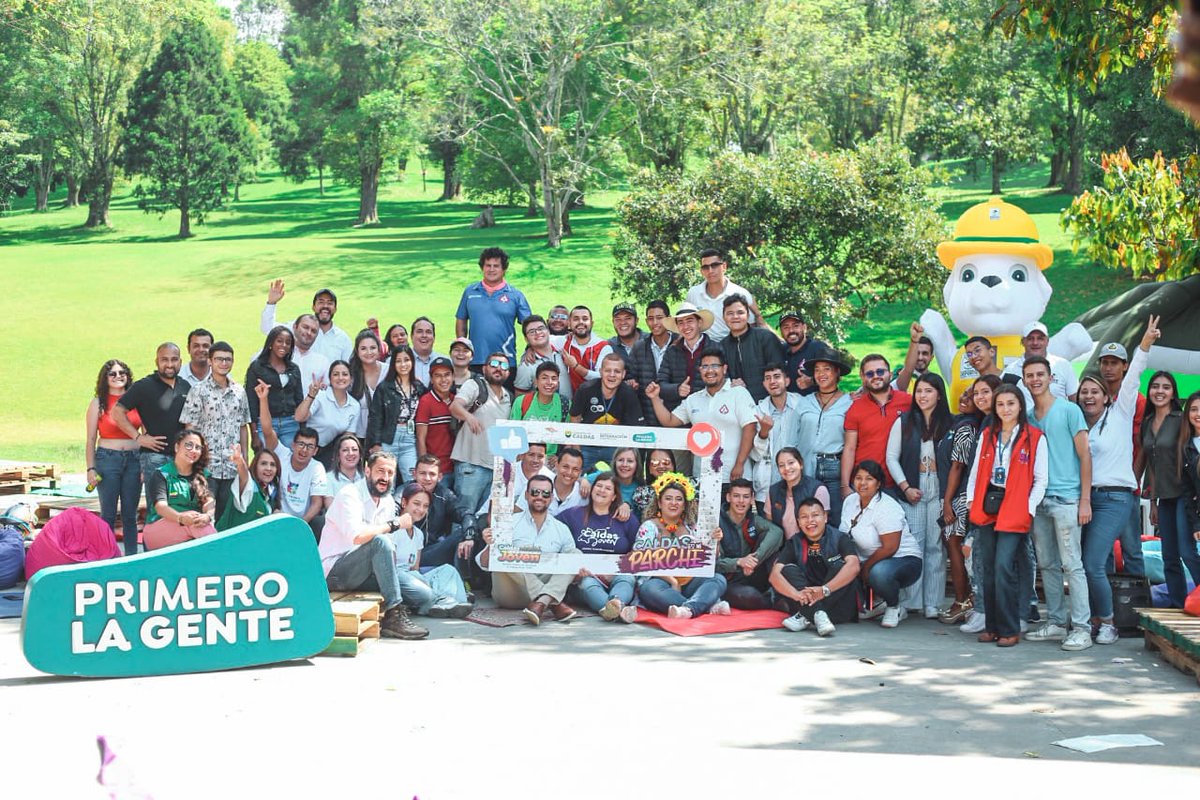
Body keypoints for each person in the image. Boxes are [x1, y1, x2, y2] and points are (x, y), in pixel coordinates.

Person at [1078, 318, 1157, 644]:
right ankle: (1099, 617)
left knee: (1094, 561)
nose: (1090, 396)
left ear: (1106, 397)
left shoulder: (1122, 411)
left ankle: (1109, 622)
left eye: (1095, 392)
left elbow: (1135, 374)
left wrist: (1146, 344)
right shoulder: (1084, 426)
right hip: (1089, 497)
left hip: (1116, 497)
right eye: (1084, 392)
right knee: (1093, 562)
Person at [966, 385, 1048, 647]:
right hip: (988, 503)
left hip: (1016, 506)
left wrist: (1029, 507)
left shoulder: (1035, 437)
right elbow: (977, 469)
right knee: (987, 568)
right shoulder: (989, 434)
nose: (1005, 409)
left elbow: (1041, 479)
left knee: (1004, 566)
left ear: (1020, 406)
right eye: (1000, 404)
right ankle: (992, 626)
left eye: (1010, 403)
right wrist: (970, 500)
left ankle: (1010, 628)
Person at [1024, 355, 1095, 651]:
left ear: (1051, 377)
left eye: (1040, 374)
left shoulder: (1069, 410)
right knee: (1047, 564)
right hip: (1039, 499)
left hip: (1067, 498)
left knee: (1071, 564)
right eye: (1030, 375)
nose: (1035, 379)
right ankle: (1054, 621)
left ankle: (1082, 628)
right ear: (1025, 380)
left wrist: (1085, 500)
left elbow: (1085, 456)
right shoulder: (1027, 416)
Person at [319, 451, 429, 640]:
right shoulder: (349, 494)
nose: (385, 478)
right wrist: (395, 524)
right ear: (367, 471)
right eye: (380, 471)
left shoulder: (386, 500)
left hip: (366, 572)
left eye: (390, 473)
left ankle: (424, 603)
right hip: (335, 573)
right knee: (380, 540)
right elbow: (358, 537)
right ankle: (394, 616)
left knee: (423, 595)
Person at [886, 373, 954, 619]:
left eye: (928, 391)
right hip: (912, 489)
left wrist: (948, 494)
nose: (923, 396)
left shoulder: (950, 423)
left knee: (936, 546)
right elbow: (891, 457)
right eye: (919, 391)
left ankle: (933, 602)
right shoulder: (904, 422)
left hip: (940, 491)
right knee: (914, 545)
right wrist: (905, 487)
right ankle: (911, 601)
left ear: (939, 393)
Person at [479, 475, 582, 625]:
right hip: (511, 594)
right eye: (535, 492)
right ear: (526, 496)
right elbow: (484, 563)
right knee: (510, 554)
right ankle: (552, 601)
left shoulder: (561, 529)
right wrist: (490, 546)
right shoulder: (508, 523)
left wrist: (578, 574)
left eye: (545, 493)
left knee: (576, 555)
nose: (540, 497)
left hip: (544, 581)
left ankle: (541, 602)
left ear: (551, 498)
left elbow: (572, 569)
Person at [942, 374, 1001, 629]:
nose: (971, 398)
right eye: (970, 394)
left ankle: (965, 601)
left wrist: (947, 502)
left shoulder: (969, 427)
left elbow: (958, 466)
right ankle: (972, 604)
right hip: (968, 494)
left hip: (966, 495)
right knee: (965, 548)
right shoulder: (979, 422)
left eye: (978, 393)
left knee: (960, 546)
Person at [646, 349, 757, 485]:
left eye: (715, 366)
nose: (709, 370)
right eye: (705, 366)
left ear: (724, 369)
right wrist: (655, 398)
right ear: (700, 370)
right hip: (702, 478)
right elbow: (669, 421)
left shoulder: (739, 393)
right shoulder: (694, 399)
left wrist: (740, 464)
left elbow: (750, 428)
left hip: (735, 476)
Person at [634, 473, 730, 619]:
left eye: (679, 499)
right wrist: (672, 581)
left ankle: (688, 609)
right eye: (668, 498)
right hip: (661, 582)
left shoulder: (692, 527)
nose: (674, 503)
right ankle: (706, 605)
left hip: (690, 581)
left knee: (718, 579)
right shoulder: (649, 527)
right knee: (649, 589)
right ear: (659, 503)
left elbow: (709, 560)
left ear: (684, 504)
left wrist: (715, 541)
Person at [841, 460, 922, 629]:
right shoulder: (850, 501)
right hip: (866, 558)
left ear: (878, 484)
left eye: (869, 479)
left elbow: (890, 547)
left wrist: (866, 567)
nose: (862, 483)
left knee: (879, 573)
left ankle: (894, 607)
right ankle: (876, 605)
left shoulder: (887, 506)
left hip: (903, 559)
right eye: (858, 478)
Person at [111, 343, 191, 511]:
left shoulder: (186, 386)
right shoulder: (144, 386)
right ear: (156, 361)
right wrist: (139, 438)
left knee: (180, 508)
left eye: (174, 360)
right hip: (155, 458)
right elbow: (117, 412)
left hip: (181, 458)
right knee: (157, 510)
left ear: (181, 361)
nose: (169, 364)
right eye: (164, 360)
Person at [1142, 374, 1199, 608]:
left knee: (1187, 552)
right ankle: (1179, 605)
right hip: (1163, 496)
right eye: (1155, 386)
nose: (1160, 391)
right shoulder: (1147, 422)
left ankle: (1198, 597)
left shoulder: (1180, 419)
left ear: (1173, 393)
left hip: (1183, 495)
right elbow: (1151, 464)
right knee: (1169, 557)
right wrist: (1153, 501)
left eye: (1166, 387)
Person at [1097, 336, 1151, 580]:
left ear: (1125, 366)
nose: (1109, 368)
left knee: (1132, 548)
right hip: (1101, 484)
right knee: (1103, 550)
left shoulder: (1136, 400)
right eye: (1105, 362)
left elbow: (1139, 444)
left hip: (1127, 484)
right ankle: (1106, 606)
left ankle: (1137, 603)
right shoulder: (1093, 398)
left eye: (1114, 363)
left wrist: (1135, 482)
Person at [179, 341, 251, 520]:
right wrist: (192, 460)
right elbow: (190, 429)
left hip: (232, 465)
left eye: (228, 359)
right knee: (206, 515)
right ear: (210, 361)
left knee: (228, 516)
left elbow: (243, 426)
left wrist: (244, 460)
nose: (224, 363)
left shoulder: (239, 392)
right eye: (219, 359)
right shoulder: (198, 391)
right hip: (207, 465)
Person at [557, 472, 641, 622]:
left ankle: (615, 605)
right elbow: (553, 532)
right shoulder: (573, 515)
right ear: (592, 489)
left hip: (617, 572)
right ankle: (618, 610)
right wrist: (571, 566)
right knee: (588, 584)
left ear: (614, 496)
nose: (602, 490)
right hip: (585, 576)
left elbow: (638, 549)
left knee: (627, 579)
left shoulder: (626, 519)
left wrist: (623, 567)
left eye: (608, 488)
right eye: (599, 486)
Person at [773, 498, 861, 636]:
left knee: (841, 566)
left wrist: (825, 590)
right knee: (786, 570)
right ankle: (817, 613)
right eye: (804, 517)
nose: (810, 521)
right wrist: (795, 595)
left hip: (838, 607)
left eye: (815, 515)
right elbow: (775, 575)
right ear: (798, 522)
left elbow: (854, 566)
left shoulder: (840, 538)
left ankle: (808, 614)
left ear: (825, 517)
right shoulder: (794, 542)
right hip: (805, 601)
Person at [256, 382, 331, 537]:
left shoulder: (317, 468)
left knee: (320, 522)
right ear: (293, 444)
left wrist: (301, 524)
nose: (304, 450)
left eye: (310, 447)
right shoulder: (282, 454)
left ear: (315, 451)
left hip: (302, 522)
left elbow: (317, 502)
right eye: (301, 444)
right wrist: (263, 400)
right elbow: (267, 430)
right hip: (277, 517)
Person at [390, 483, 474, 619]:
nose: (420, 510)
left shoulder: (418, 534)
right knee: (418, 582)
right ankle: (442, 601)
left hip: (412, 577)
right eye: (416, 504)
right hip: (398, 579)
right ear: (404, 503)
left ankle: (452, 604)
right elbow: (390, 570)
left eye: (425, 506)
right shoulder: (393, 529)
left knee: (448, 570)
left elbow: (415, 568)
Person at [85, 359, 143, 555]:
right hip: (107, 460)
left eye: (122, 373)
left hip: (134, 459)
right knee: (108, 513)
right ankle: (106, 557)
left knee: (130, 514)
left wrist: (144, 464)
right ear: (105, 379)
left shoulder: (136, 401)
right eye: (113, 374)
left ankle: (132, 558)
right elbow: (91, 438)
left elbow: (145, 433)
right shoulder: (98, 403)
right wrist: (90, 468)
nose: (118, 377)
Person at [795, 345, 853, 527]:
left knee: (834, 518)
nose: (821, 374)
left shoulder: (849, 402)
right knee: (807, 517)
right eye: (817, 370)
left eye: (826, 369)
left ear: (837, 373)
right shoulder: (804, 402)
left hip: (833, 466)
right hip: (806, 467)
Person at [449, 352, 512, 516]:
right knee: (463, 517)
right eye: (494, 364)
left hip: (496, 469)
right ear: (484, 368)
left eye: (504, 366)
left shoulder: (509, 398)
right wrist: (469, 417)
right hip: (471, 465)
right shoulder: (475, 386)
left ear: (508, 373)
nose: (499, 368)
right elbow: (455, 407)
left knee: (485, 519)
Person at [841, 354, 912, 497]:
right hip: (865, 483)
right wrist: (844, 485)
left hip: (900, 480)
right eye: (869, 373)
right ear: (863, 377)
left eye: (880, 372)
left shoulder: (908, 402)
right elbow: (849, 448)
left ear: (890, 374)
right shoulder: (855, 408)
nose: (876, 376)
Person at [455, 247, 532, 369]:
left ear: (504, 269)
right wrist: (462, 349)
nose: (491, 269)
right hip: (475, 360)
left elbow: (530, 325)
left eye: (496, 266)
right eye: (488, 265)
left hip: (505, 361)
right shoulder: (470, 292)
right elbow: (461, 320)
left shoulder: (515, 295)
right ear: (482, 267)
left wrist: (530, 347)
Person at [141, 430, 217, 551]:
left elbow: (210, 503)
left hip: (193, 526)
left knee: (198, 522)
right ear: (177, 447)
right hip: (158, 529)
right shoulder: (161, 474)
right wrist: (181, 518)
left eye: (198, 447)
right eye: (189, 445)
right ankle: (222, 558)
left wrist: (207, 516)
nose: (193, 450)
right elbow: (161, 507)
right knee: (194, 521)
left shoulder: (205, 476)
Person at [717, 478, 783, 609]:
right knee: (750, 597)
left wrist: (754, 560)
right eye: (736, 496)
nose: (741, 501)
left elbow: (777, 532)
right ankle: (772, 602)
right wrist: (739, 562)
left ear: (752, 499)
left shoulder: (753, 519)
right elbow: (715, 565)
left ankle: (779, 593)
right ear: (728, 497)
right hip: (729, 580)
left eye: (746, 496)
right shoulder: (717, 522)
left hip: (752, 573)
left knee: (769, 539)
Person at [570, 352, 643, 470]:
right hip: (587, 443)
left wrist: (625, 456)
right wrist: (577, 450)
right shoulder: (585, 389)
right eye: (608, 370)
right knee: (580, 477)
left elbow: (634, 428)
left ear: (624, 374)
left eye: (617, 371)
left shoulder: (629, 394)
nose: (612, 375)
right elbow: (575, 418)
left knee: (618, 479)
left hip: (615, 445)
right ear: (600, 372)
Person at [367, 345, 426, 484]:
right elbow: (375, 416)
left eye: (406, 360)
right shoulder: (385, 387)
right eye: (398, 361)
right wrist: (376, 443)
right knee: (387, 482)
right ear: (393, 364)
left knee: (412, 481)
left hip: (410, 439)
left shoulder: (419, 387)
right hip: (389, 438)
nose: (403, 364)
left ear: (412, 361)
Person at [411, 455, 478, 570]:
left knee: (466, 534)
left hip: (433, 550)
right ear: (414, 474)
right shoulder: (403, 492)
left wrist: (469, 536)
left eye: (432, 474)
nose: (427, 478)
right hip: (408, 554)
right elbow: (394, 511)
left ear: (440, 477)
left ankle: (465, 580)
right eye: (422, 473)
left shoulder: (444, 494)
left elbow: (465, 513)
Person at [685, 248, 764, 343]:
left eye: (714, 265)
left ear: (724, 267)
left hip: (733, 345)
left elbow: (752, 326)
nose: (710, 271)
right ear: (701, 271)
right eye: (705, 267)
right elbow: (686, 321)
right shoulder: (693, 293)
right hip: (703, 347)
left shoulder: (740, 293)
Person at [261, 281, 352, 363]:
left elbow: (348, 370)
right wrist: (271, 303)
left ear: (335, 309)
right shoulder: (299, 328)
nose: (325, 306)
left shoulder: (343, 339)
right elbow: (267, 328)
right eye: (321, 302)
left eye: (330, 303)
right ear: (313, 307)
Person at [751, 363, 802, 505]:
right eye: (768, 378)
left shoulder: (802, 405)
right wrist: (764, 433)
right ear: (764, 384)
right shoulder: (758, 412)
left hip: (797, 483)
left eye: (777, 377)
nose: (772, 381)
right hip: (767, 486)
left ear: (787, 381)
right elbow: (754, 455)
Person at [245, 326, 303, 449]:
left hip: (290, 424)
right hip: (266, 424)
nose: (284, 345)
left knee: (290, 460)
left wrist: (302, 428)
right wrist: (254, 434)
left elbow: (299, 399)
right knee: (267, 461)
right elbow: (251, 403)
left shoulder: (294, 369)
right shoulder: (257, 367)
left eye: (288, 343)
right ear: (271, 343)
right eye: (279, 341)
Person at [720, 294, 784, 402]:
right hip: (736, 404)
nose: (735, 317)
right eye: (730, 313)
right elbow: (721, 376)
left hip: (768, 403)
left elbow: (779, 371)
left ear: (748, 315)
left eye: (740, 312)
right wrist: (731, 384)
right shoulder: (722, 346)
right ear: (724, 317)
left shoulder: (766, 338)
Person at [295, 360, 359, 465]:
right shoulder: (321, 396)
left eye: (345, 374)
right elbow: (299, 417)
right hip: (307, 446)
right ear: (330, 379)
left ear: (351, 379)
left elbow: (348, 437)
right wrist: (311, 395)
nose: (340, 378)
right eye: (335, 374)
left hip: (330, 449)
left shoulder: (354, 405)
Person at [1002, 321, 1079, 404]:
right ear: (1022, 342)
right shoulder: (1010, 370)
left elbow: (1075, 399)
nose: (1035, 343)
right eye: (1030, 339)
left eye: (1040, 338)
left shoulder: (1063, 365)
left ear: (1047, 341)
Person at [627, 300, 677, 424]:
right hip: (648, 413)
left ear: (668, 319)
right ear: (646, 321)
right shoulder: (639, 347)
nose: (655, 323)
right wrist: (631, 382)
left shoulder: (679, 344)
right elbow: (630, 375)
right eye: (650, 318)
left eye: (659, 318)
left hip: (676, 413)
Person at [656, 303, 714, 407]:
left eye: (690, 321)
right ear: (677, 327)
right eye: (681, 323)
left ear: (699, 322)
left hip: (708, 409)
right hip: (678, 411)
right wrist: (677, 389)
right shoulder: (671, 351)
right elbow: (660, 384)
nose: (685, 326)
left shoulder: (715, 348)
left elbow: (724, 381)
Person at [766, 447, 830, 540]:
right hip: (783, 549)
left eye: (791, 463)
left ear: (801, 464)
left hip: (811, 547)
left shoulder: (818, 489)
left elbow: (821, 526)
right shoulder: (773, 491)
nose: (787, 468)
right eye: (781, 465)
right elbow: (770, 524)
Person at [218, 444, 280, 531]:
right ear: (255, 466)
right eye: (263, 463)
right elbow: (244, 476)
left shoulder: (270, 494)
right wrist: (240, 461)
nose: (268, 468)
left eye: (273, 465)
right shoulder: (250, 486)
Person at [415, 357, 458, 478]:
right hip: (436, 469)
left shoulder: (456, 400)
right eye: (438, 375)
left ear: (453, 377)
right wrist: (425, 467)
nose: (443, 380)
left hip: (456, 467)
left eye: (447, 375)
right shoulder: (426, 401)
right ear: (432, 379)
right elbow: (420, 438)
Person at [515, 315, 571, 403]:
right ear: (526, 339)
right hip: (543, 415)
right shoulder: (526, 366)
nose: (537, 333)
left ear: (548, 331)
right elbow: (520, 400)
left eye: (541, 328)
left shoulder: (564, 352)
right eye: (532, 331)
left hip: (570, 412)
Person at [511, 362, 567, 450]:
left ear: (558, 383)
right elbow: (512, 431)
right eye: (544, 378)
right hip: (526, 456)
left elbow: (569, 436)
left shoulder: (565, 404)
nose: (549, 382)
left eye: (554, 379)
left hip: (551, 459)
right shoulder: (521, 401)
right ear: (536, 382)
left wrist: (559, 456)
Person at [560, 305, 613, 394]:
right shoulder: (563, 342)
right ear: (569, 323)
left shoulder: (603, 347)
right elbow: (541, 340)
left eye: (585, 319)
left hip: (596, 400)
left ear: (592, 323)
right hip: (570, 400)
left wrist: (576, 366)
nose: (581, 322)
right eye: (576, 319)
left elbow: (602, 376)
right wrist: (530, 348)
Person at [778, 311, 829, 395]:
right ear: (781, 331)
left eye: (796, 326)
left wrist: (812, 381)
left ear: (804, 327)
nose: (791, 330)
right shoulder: (781, 351)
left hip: (815, 405)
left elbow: (835, 376)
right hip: (788, 405)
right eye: (786, 327)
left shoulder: (818, 348)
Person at [348, 329, 386, 439]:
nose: (369, 352)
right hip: (358, 436)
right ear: (357, 351)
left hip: (384, 437)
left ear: (379, 349)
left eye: (373, 348)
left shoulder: (389, 371)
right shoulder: (351, 374)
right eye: (363, 348)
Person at [1179, 392, 1200, 587]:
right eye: (1193, 409)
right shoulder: (1186, 448)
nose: (1198, 414)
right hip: (1196, 509)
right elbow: (1187, 491)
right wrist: (1195, 524)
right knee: (1186, 552)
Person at [290, 314, 332, 396]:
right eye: (305, 327)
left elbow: (326, 391)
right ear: (295, 327)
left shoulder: (322, 362)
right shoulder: (280, 354)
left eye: (313, 331)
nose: (309, 333)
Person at [633, 449, 676, 517]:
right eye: (655, 463)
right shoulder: (642, 493)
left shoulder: (690, 486)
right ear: (649, 469)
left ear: (673, 465)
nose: (661, 466)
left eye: (666, 462)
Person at [547, 446, 588, 515]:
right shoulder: (539, 484)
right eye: (565, 467)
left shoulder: (584, 495)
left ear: (580, 472)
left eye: (575, 469)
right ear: (556, 465)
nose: (569, 472)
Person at [607, 302, 647, 370]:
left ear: (636, 320)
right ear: (613, 322)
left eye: (628, 318)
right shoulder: (609, 346)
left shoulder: (650, 340)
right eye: (618, 319)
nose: (622, 322)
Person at [409, 317, 444, 386]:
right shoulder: (397, 362)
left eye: (428, 332)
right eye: (419, 331)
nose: (424, 335)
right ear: (411, 336)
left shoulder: (444, 361)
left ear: (434, 337)